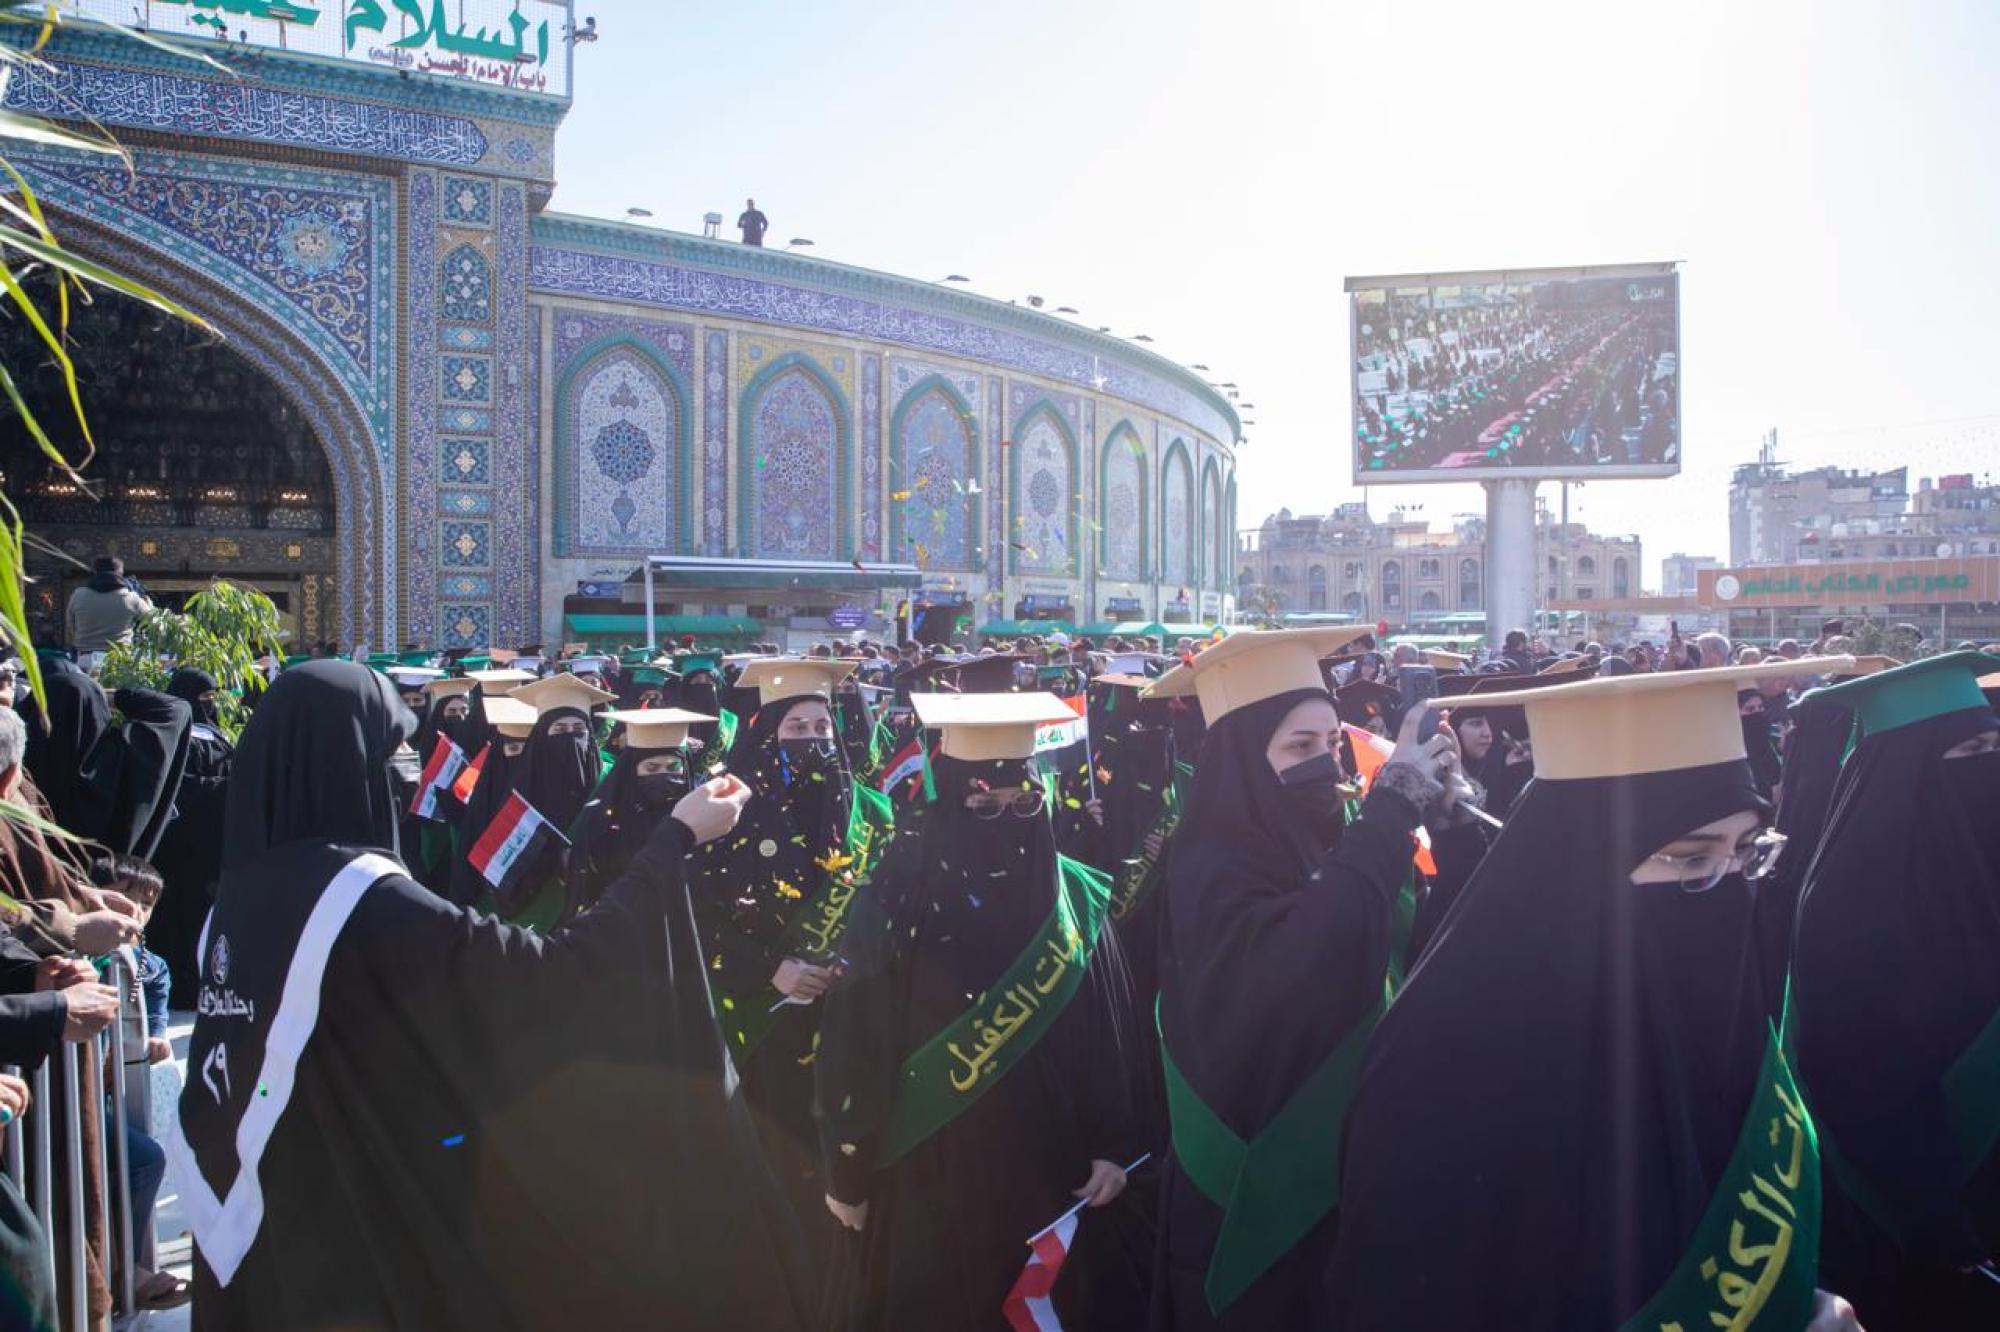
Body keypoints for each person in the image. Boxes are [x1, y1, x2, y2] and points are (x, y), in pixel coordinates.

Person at [169, 659, 814, 1330]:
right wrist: (675, 838)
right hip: (353, 1244)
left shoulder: (244, 893)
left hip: (282, 1225)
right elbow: (561, 975)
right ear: (345, 759)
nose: (406, 767)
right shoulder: (359, 900)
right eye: (391, 749)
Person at [1329, 657, 1865, 1331]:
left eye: (1747, 850)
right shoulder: (1443, 1066)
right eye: (1693, 857)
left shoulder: (1717, 1009)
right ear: (1583, 870)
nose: (1728, 885)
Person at [1144, 628, 1458, 1328]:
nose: (1325, 763)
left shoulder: (1331, 835)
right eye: (1298, 747)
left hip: (1350, 1174)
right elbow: (1305, 968)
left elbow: (1402, 945)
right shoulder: (1211, 861)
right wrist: (1389, 812)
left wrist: (1445, 822)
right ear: (1242, 762)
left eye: (1331, 743)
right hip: (1256, 1187)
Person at [814, 691, 1143, 1329]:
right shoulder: (897, 895)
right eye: (984, 806)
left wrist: (1114, 1145)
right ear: (950, 805)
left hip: (1056, 1172)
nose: (1008, 820)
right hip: (931, 1172)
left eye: (1025, 804)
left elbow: (1111, 1030)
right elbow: (854, 1037)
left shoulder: (1073, 893)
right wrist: (847, 1169)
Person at [1792, 652, 2000, 1328]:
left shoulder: (1984, 853)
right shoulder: (1846, 905)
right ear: (1907, 774)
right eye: (1969, 751)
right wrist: (1938, 1216)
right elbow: (1858, 1080)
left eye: (1994, 747)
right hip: (1936, 1213)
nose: (1989, 767)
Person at [691, 659, 896, 1281]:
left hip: (847, 1018)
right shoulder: (723, 811)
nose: (812, 740)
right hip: (759, 1019)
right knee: (771, 1159)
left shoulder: (874, 815)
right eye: (796, 729)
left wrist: (851, 966)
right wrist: (769, 970)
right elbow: (694, 916)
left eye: (821, 728)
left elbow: (895, 913)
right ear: (767, 733)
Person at [21, 663, 191, 860]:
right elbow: (175, 709)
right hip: (108, 877)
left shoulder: (18, 773)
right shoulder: (116, 765)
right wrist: (108, 695)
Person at [565, 708, 708, 920]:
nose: (663, 774)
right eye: (651, 768)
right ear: (632, 769)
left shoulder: (701, 815)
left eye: (673, 767)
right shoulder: (603, 822)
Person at [151, 666, 236, 1008]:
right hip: (183, 846)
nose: (209, 703)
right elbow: (179, 787)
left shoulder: (215, 734)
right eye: (203, 697)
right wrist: (227, 788)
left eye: (212, 697)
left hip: (213, 844)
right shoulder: (176, 735)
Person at [64, 556, 152, 657]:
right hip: (119, 658)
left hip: (84, 656)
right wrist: (149, 604)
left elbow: (70, 626)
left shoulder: (78, 595)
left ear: (95, 572)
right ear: (121, 573)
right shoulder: (131, 598)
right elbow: (153, 622)